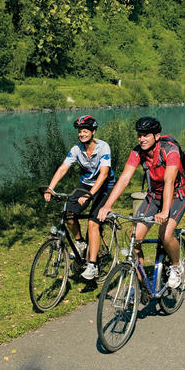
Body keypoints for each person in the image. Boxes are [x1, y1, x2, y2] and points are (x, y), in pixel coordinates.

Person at [97, 116, 185, 288]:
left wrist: (165, 211)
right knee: (135, 239)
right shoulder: (138, 152)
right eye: (139, 135)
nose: (141, 139)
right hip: (153, 197)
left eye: (146, 135)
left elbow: (169, 181)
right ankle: (140, 285)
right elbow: (124, 178)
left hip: (176, 196)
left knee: (165, 234)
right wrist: (107, 205)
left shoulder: (171, 150)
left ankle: (176, 266)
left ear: (156, 136)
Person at [43, 115, 115, 281]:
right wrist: (50, 188)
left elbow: (103, 174)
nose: (81, 134)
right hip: (85, 184)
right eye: (79, 131)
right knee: (68, 214)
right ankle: (80, 242)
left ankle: (93, 265)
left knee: (93, 223)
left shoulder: (103, 147)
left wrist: (90, 195)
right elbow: (63, 168)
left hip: (105, 186)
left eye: (85, 131)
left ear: (93, 131)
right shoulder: (77, 149)